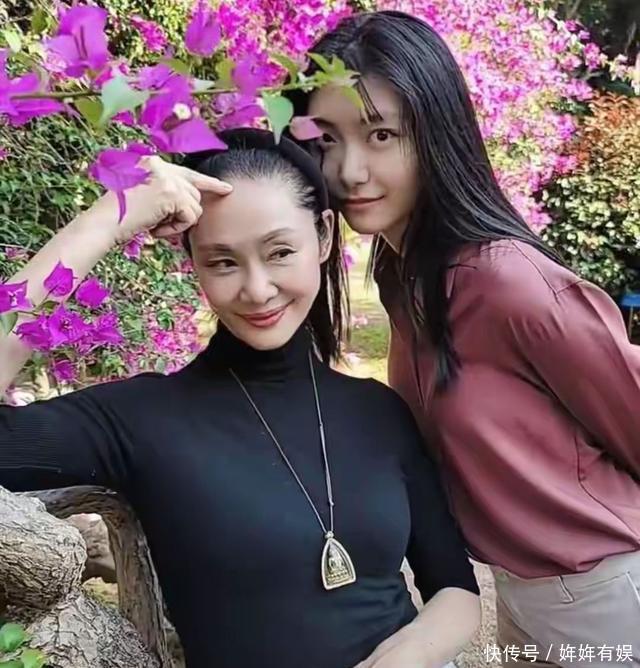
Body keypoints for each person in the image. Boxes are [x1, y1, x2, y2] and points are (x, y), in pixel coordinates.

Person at [0, 128, 480, 668]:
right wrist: (109, 218)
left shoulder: (378, 411)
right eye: (223, 262)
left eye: (280, 252)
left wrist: (409, 655)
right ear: (194, 261)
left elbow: (455, 589)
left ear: (324, 237)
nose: (257, 289)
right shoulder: (142, 420)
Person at [290, 10, 640, 667]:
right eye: (327, 139)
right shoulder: (403, 277)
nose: (349, 170)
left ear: (436, 132)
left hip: (607, 592)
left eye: (381, 134)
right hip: (521, 589)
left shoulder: (509, 283)